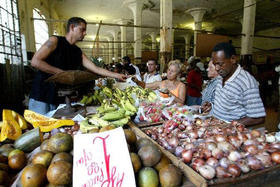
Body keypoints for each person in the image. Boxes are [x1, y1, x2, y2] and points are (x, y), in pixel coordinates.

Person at [29, 17, 126, 115]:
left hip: (58, 97)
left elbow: (95, 68)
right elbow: (35, 61)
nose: (85, 33)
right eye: (82, 29)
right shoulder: (55, 41)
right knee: (38, 125)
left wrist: (117, 75)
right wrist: (62, 73)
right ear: (72, 27)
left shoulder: (78, 52)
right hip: (41, 94)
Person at [202, 42, 266, 126]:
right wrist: (213, 107)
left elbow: (258, 117)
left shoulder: (246, 83)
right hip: (217, 128)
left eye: (220, 64)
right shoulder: (221, 76)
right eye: (214, 64)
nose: (217, 68)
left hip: (232, 133)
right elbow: (227, 103)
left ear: (233, 59)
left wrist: (229, 126)